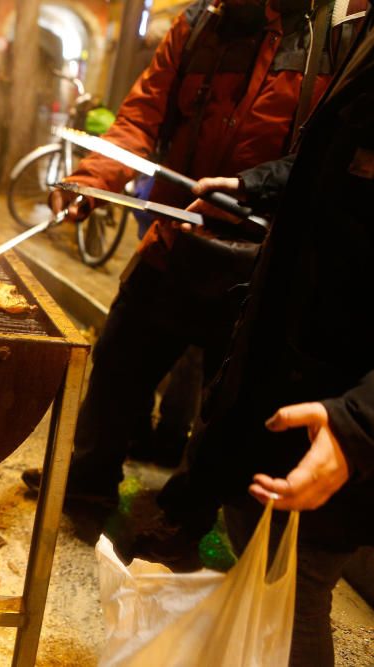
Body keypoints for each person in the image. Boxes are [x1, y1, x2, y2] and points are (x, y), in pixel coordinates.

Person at [20, 0, 368, 511]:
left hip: (261, 263)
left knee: (226, 408)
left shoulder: (340, 35)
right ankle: (89, 483)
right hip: (173, 240)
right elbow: (140, 118)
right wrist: (92, 182)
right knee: (117, 362)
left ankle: (184, 519)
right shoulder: (199, 23)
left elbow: (330, 155)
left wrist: (253, 187)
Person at [164, 10, 374, 662]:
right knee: (266, 573)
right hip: (293, 377)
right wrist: (254, 184)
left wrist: (359, 423)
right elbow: (336, 163)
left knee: (293, 591)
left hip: (336, 407)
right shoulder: (364, 37)